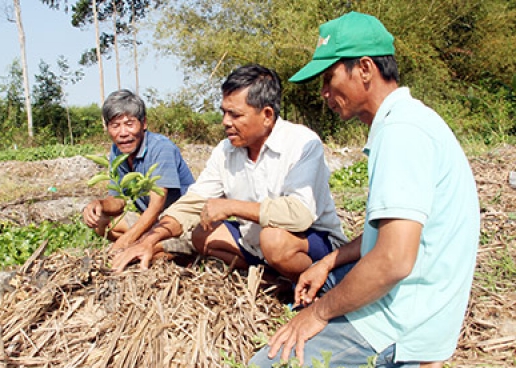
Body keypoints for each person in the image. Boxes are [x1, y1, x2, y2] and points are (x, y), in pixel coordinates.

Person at [249, 11, 480, 368]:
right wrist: (328, 261)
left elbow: (392, 260)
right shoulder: (407, 121)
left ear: (366, 69)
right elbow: (385, 234)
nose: (324, 92)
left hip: (403, 323)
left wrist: (317, 315)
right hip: (417, 304)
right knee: (323, 288)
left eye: (329, 78)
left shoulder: (402, 133)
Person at [111, 64, 347, 280]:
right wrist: (150, 240)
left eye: (235, 115)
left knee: (274, 240)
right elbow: (192, 203)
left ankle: (306, 280)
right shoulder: (226, 151)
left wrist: (231, 206)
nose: (225, 122)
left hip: (310, 241)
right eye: (224, 112)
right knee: (202, 236)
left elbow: (300, 214)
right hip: (255, 243)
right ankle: (272, 280)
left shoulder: (302, 143)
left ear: (266, 115)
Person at [82, 89, 195, 252]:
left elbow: (156, 206)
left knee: (150, 251)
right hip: (151, 220)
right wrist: (98, 204)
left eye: (129, 124)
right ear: (107, 128)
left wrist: (123, 242)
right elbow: (118, 199)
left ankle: (163, 248)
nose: (123, 133)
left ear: (144, 123)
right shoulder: (117, 150)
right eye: (115, 126)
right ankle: (146, 242)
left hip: (177, 221)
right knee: (102, 222)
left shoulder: (161, 148)